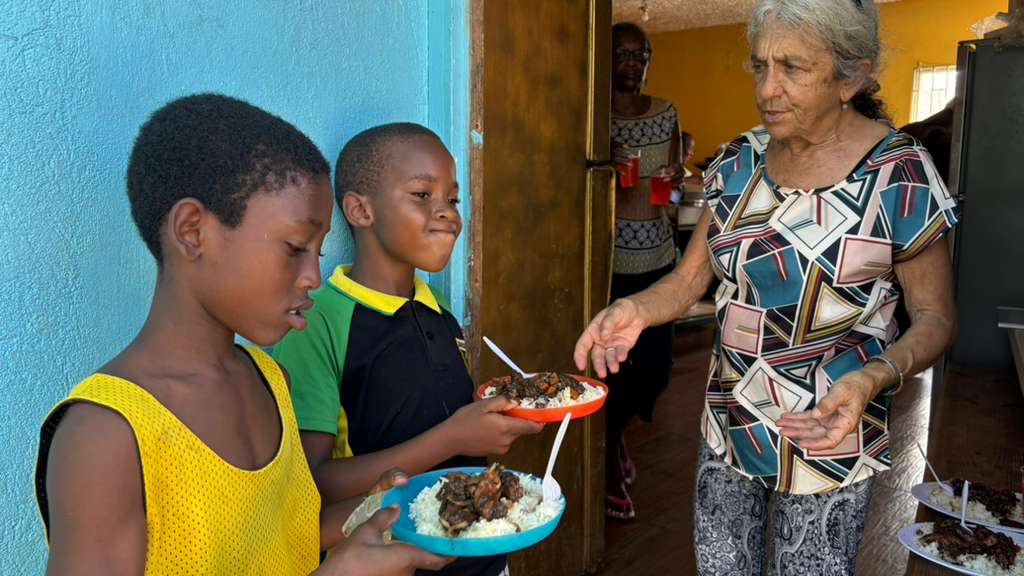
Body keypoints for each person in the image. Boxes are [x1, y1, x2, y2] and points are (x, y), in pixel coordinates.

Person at [576, 1, 958, 573]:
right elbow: (687, 282)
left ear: (850, 75)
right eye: (760, 66)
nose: (767, 90)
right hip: (729, 426)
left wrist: (876, 376)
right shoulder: (738, 161)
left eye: (793, 69)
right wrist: (633, 308)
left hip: (833, 435)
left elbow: (936, 318)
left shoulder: (899, 172)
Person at [33, 94, 452, 576]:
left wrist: (378, 515)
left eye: (316, 252)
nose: (314, 276)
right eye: (295, 248)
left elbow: (281, 536)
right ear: (193, 231)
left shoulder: (270, 380)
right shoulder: (106, 435)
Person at [273, 123, 543, 576]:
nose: (448, 214)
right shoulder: (317, 321)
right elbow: (313, 485)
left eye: (453, 200)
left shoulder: (437, 309)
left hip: (481, 555)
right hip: (391, 562)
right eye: (422, 195)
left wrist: (494, 424)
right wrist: (453, 437)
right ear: (360, 210)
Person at [606, 21, 687, 521]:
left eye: (642, 54)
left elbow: (675, 196)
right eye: (623, 54)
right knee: (612, 369)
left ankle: (616, 434)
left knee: (655, 369)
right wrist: (600, 172)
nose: (633, 63)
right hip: (609, 263)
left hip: (657, 260)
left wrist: (675, 182)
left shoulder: (666, 114)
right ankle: (611, 451)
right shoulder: (594, 117)